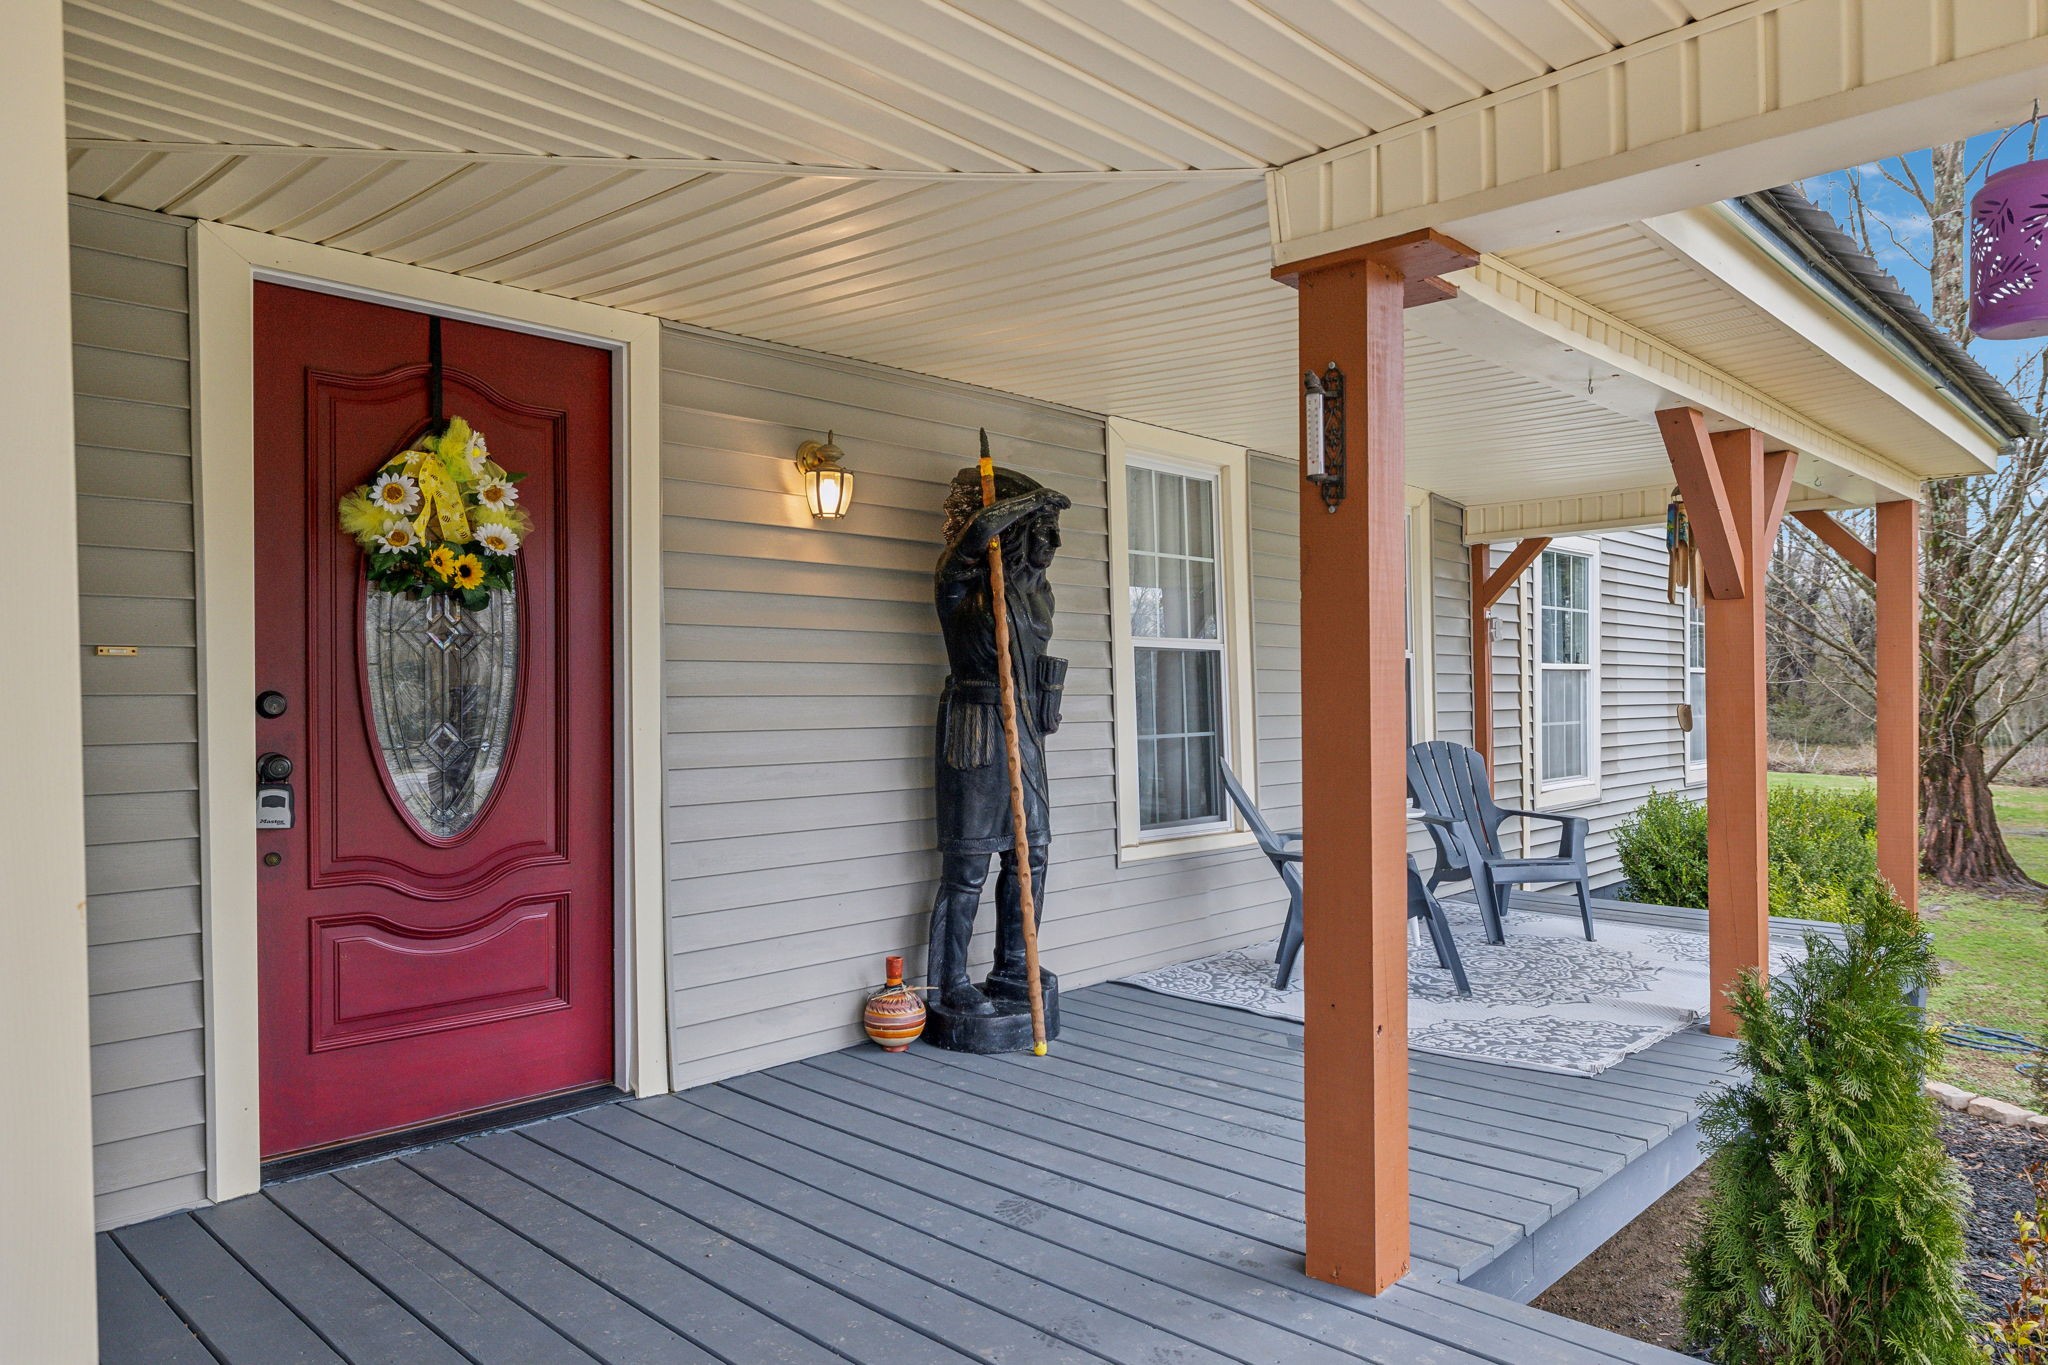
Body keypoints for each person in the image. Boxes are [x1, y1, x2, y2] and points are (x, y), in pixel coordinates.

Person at [926, 462, 1071, 1026]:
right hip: (977, 725)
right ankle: (950, 981)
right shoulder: (962, 585)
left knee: (1029, 853)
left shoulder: (1039, 594)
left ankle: (1014, 964)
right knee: (967, 865)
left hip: (1026, 726)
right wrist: (1016, 505)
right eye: (1042, 527)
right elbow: (967, 546)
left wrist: (1046, 695)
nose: (1053, 542)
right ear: (1010, 534)